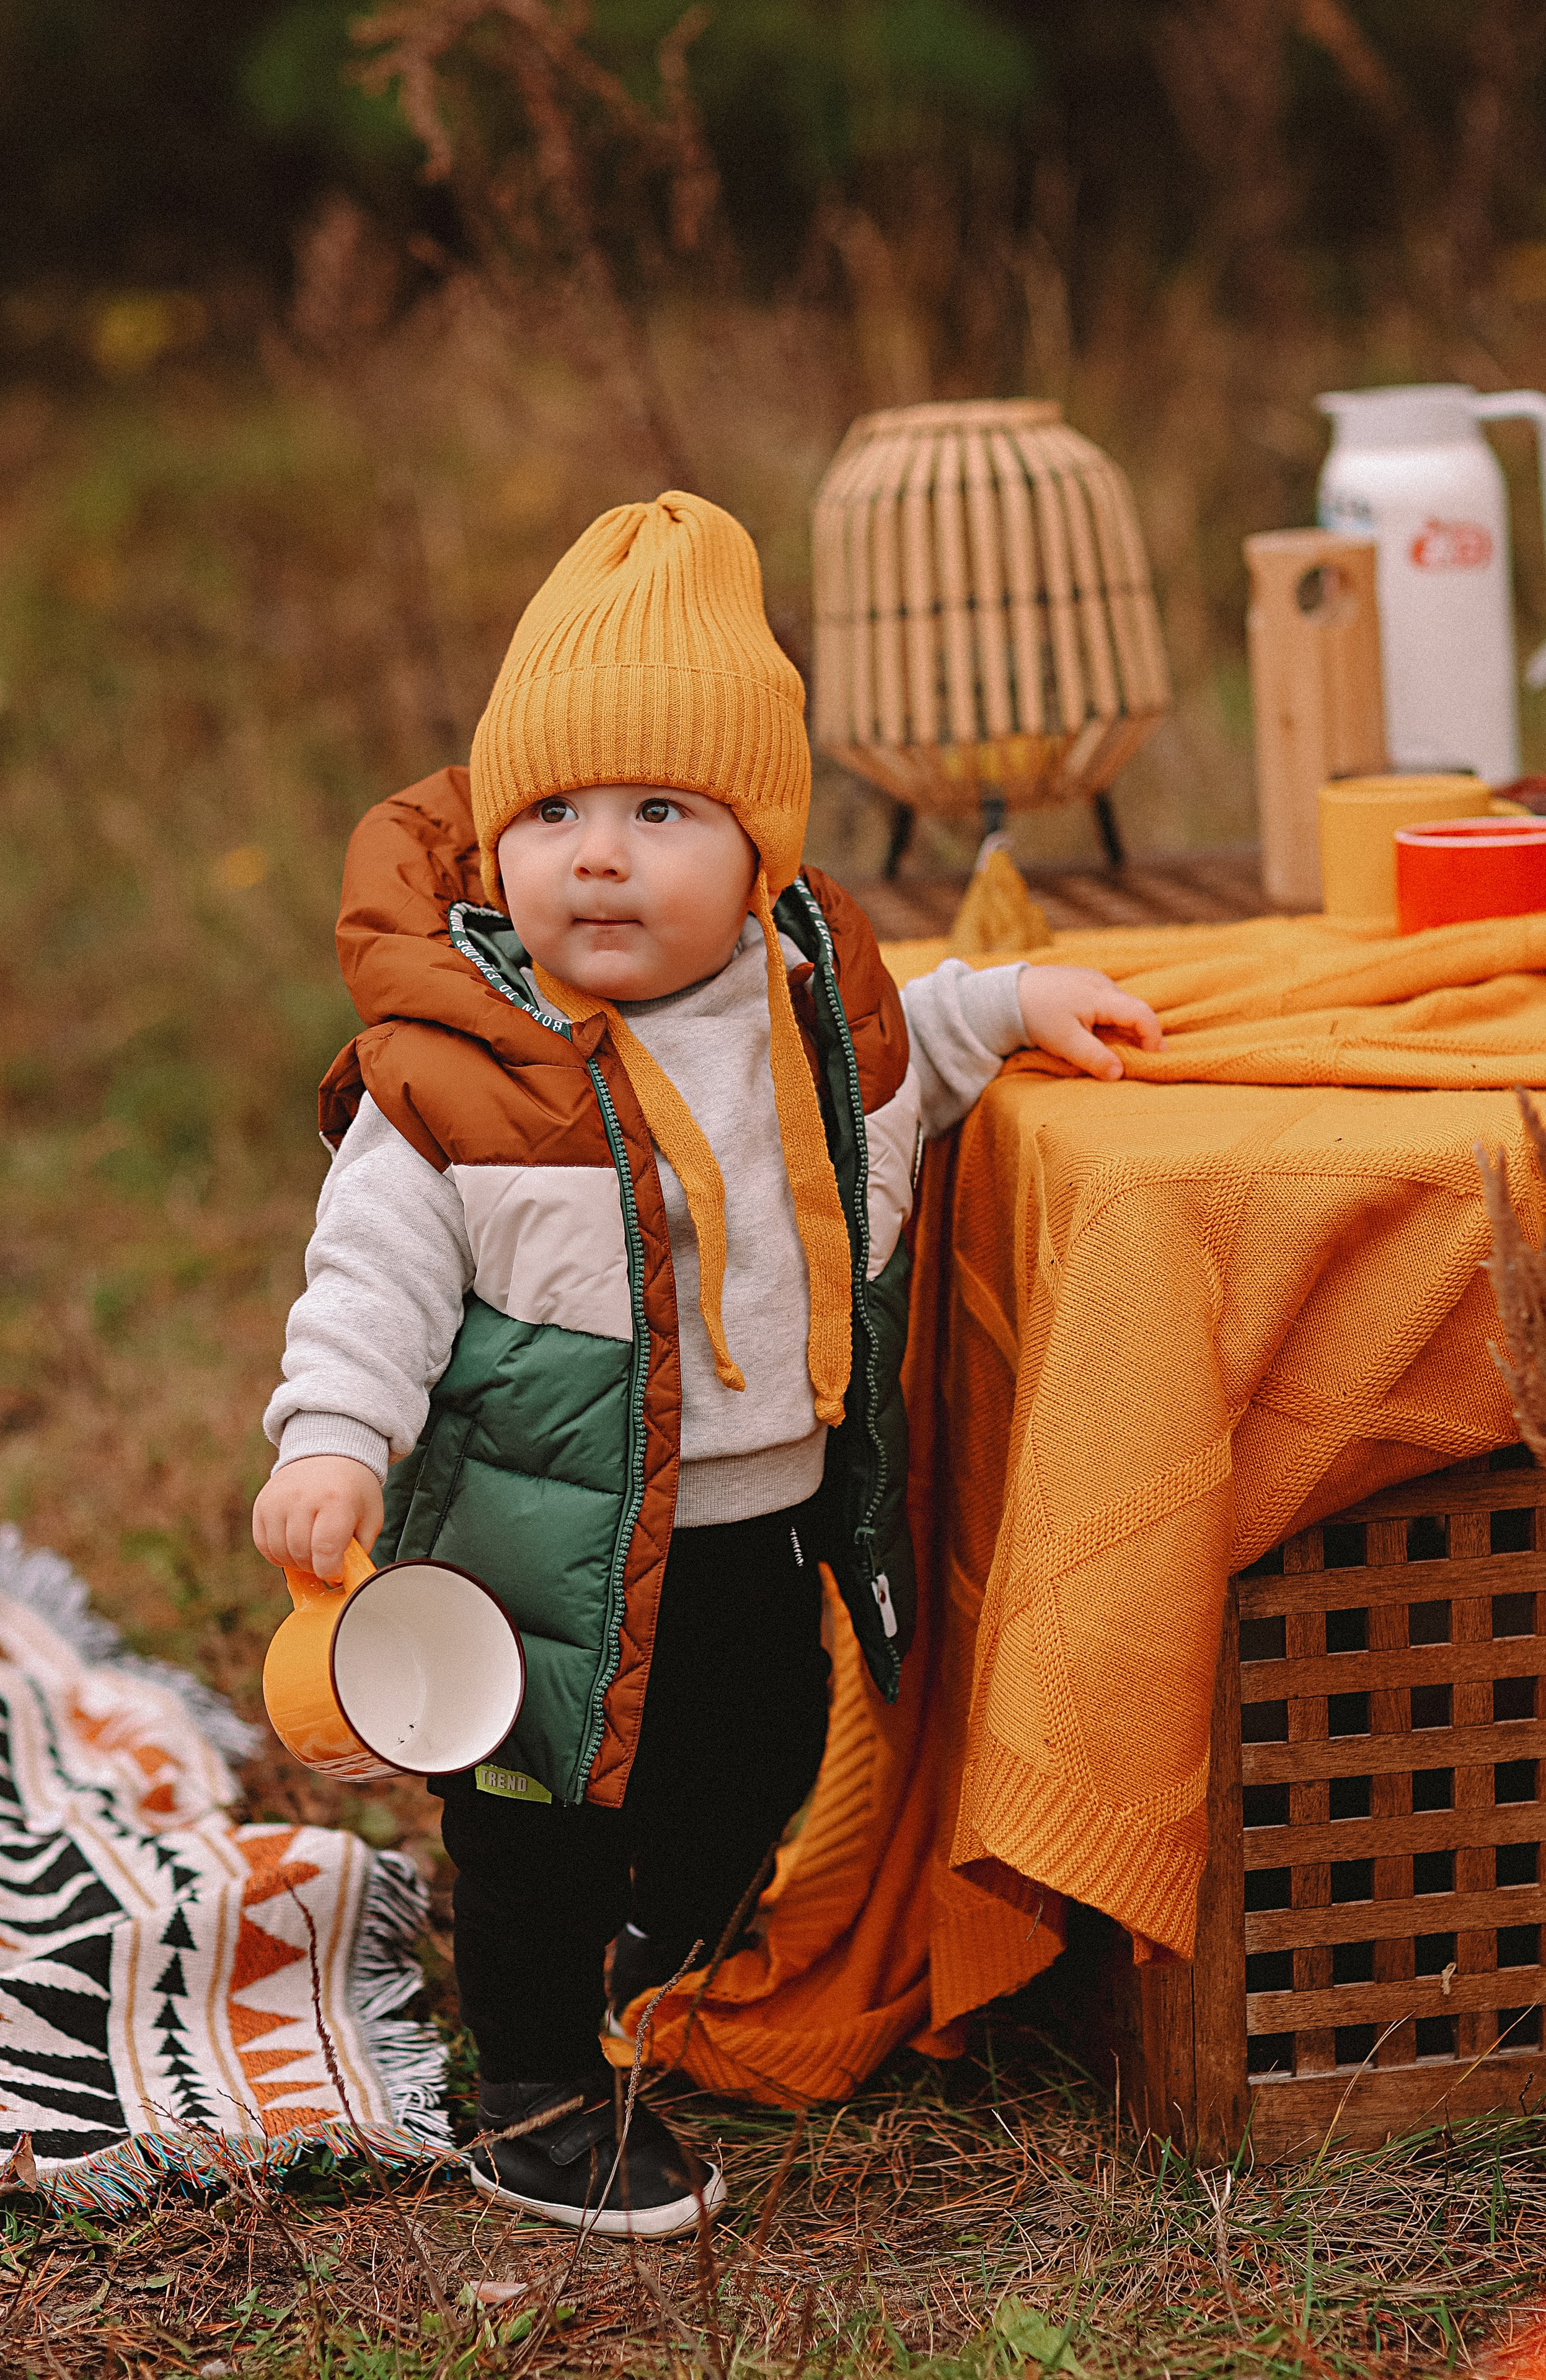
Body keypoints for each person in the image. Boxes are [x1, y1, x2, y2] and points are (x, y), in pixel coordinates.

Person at [252, 491, 1161, 2237]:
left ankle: (648, 1946)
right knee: (544, 1803)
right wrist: (336, 1436)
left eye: (660, 813)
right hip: (544, 1542)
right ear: (499, 841)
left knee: (758, 1754)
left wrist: (1011, 1004)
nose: (598, 857)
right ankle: (531, 2093)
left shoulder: (805, 1000)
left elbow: (908, 1055)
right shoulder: (465, 1066)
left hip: (762, 1510)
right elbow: (372, 1272)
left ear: (760, 856)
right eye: (555, 813)